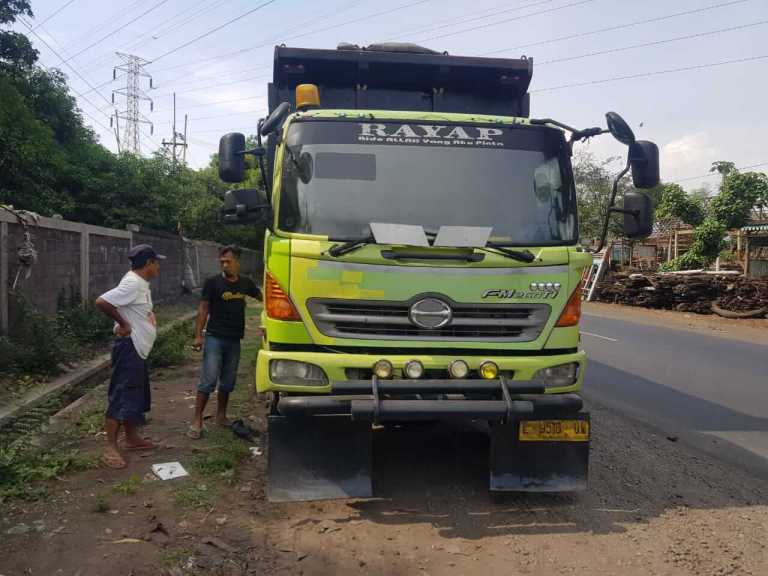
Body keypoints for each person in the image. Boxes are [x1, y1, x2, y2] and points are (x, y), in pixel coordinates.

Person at [95, 244, 164, 469]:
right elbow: (102, 301)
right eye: (156, 262)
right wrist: (123, 323)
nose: (159, 266)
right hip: (129, 348)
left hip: (138, 349)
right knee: (122, 394)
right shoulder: (133, 283)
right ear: (148, 264)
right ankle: (110, 447)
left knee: (135, 394)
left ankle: (132, 438)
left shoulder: (140, 283)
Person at [188, 245, 262, 438]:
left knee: (228, 381)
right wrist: (198, 335)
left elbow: (264, 297)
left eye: (228, 261)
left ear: (238, 262)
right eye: (222, 262)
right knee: (209, 380)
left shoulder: (246, 283)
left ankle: (221, 416)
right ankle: (197, 420)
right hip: (215, 337)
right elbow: (203, 308)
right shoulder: (212, 283)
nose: (224, 265)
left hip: (234, 340)